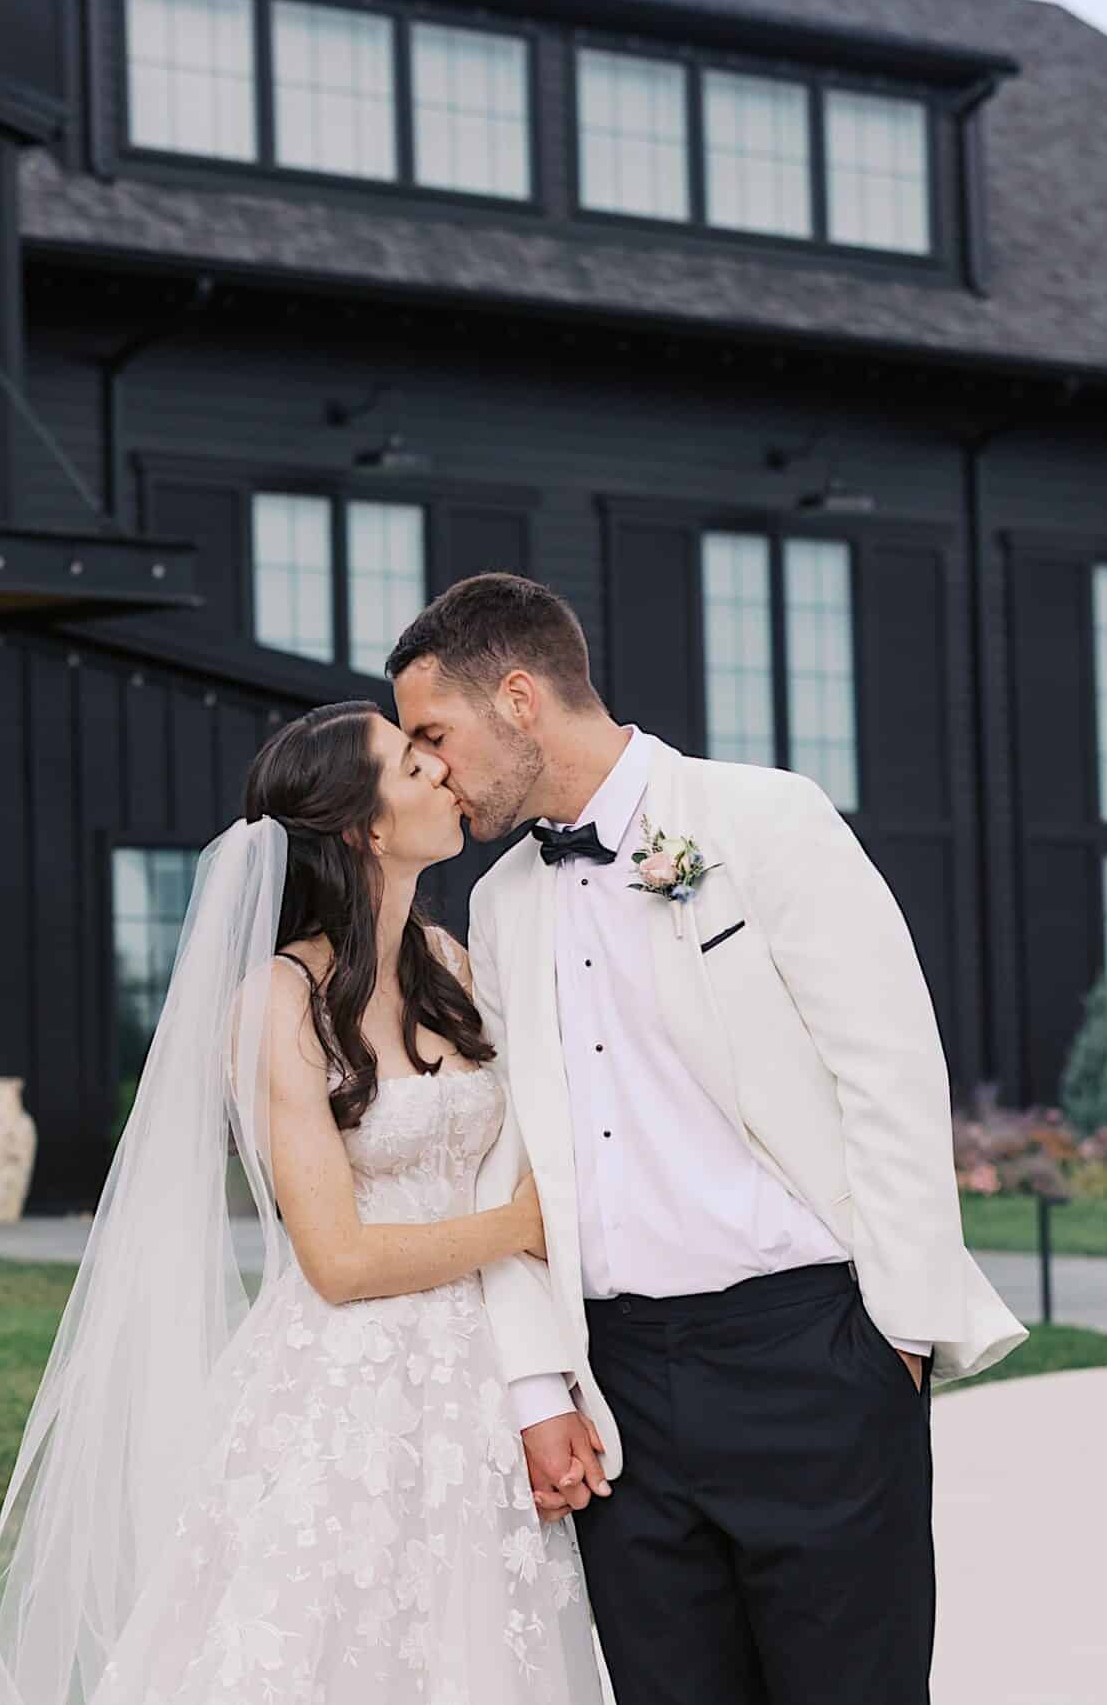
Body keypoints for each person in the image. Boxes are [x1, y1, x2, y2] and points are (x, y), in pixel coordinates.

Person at [388, 571, 1028, 1705]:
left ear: (521, 700)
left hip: (813, 1355)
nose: (429, 767)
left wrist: (899, 1337)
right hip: (620, 1388)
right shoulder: (499, 903)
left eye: (435, 734)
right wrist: (539, 1384)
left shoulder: (765, 818)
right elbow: (508, 1157)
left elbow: (886, 1069)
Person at [0, 698, 608, 1705]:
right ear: (362, 827)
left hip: (485, 1372)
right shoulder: (276, 1004)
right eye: (413, 767)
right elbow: (339, 1260)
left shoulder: (451, 968)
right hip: (350, 1388)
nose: (445, 776)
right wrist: (521, 1229)